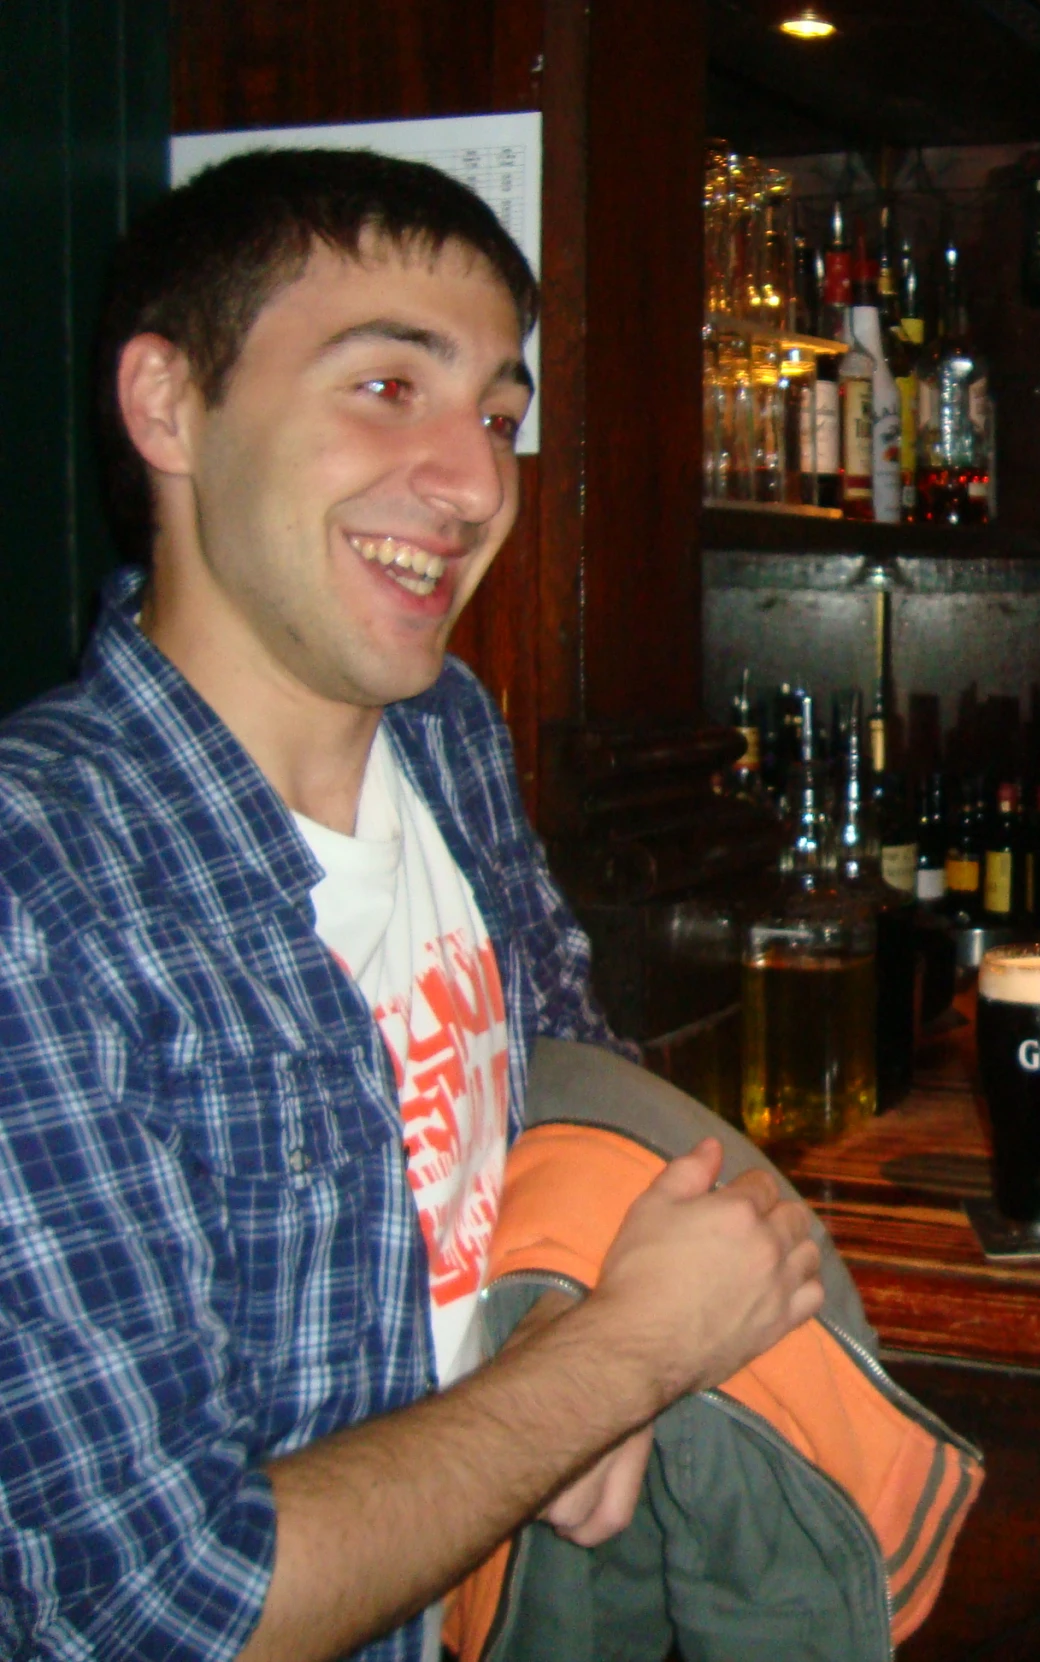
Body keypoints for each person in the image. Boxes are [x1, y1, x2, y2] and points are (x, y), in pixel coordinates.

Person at [0, 150, 826, 1660]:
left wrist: (582, 1310)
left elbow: (555, 1117)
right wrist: (620, 1358)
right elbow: (154, 1613)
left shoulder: (444, 734)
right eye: (387, 387)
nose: (473, 481)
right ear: (168, 405)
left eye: (500, 415)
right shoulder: (39, 885)